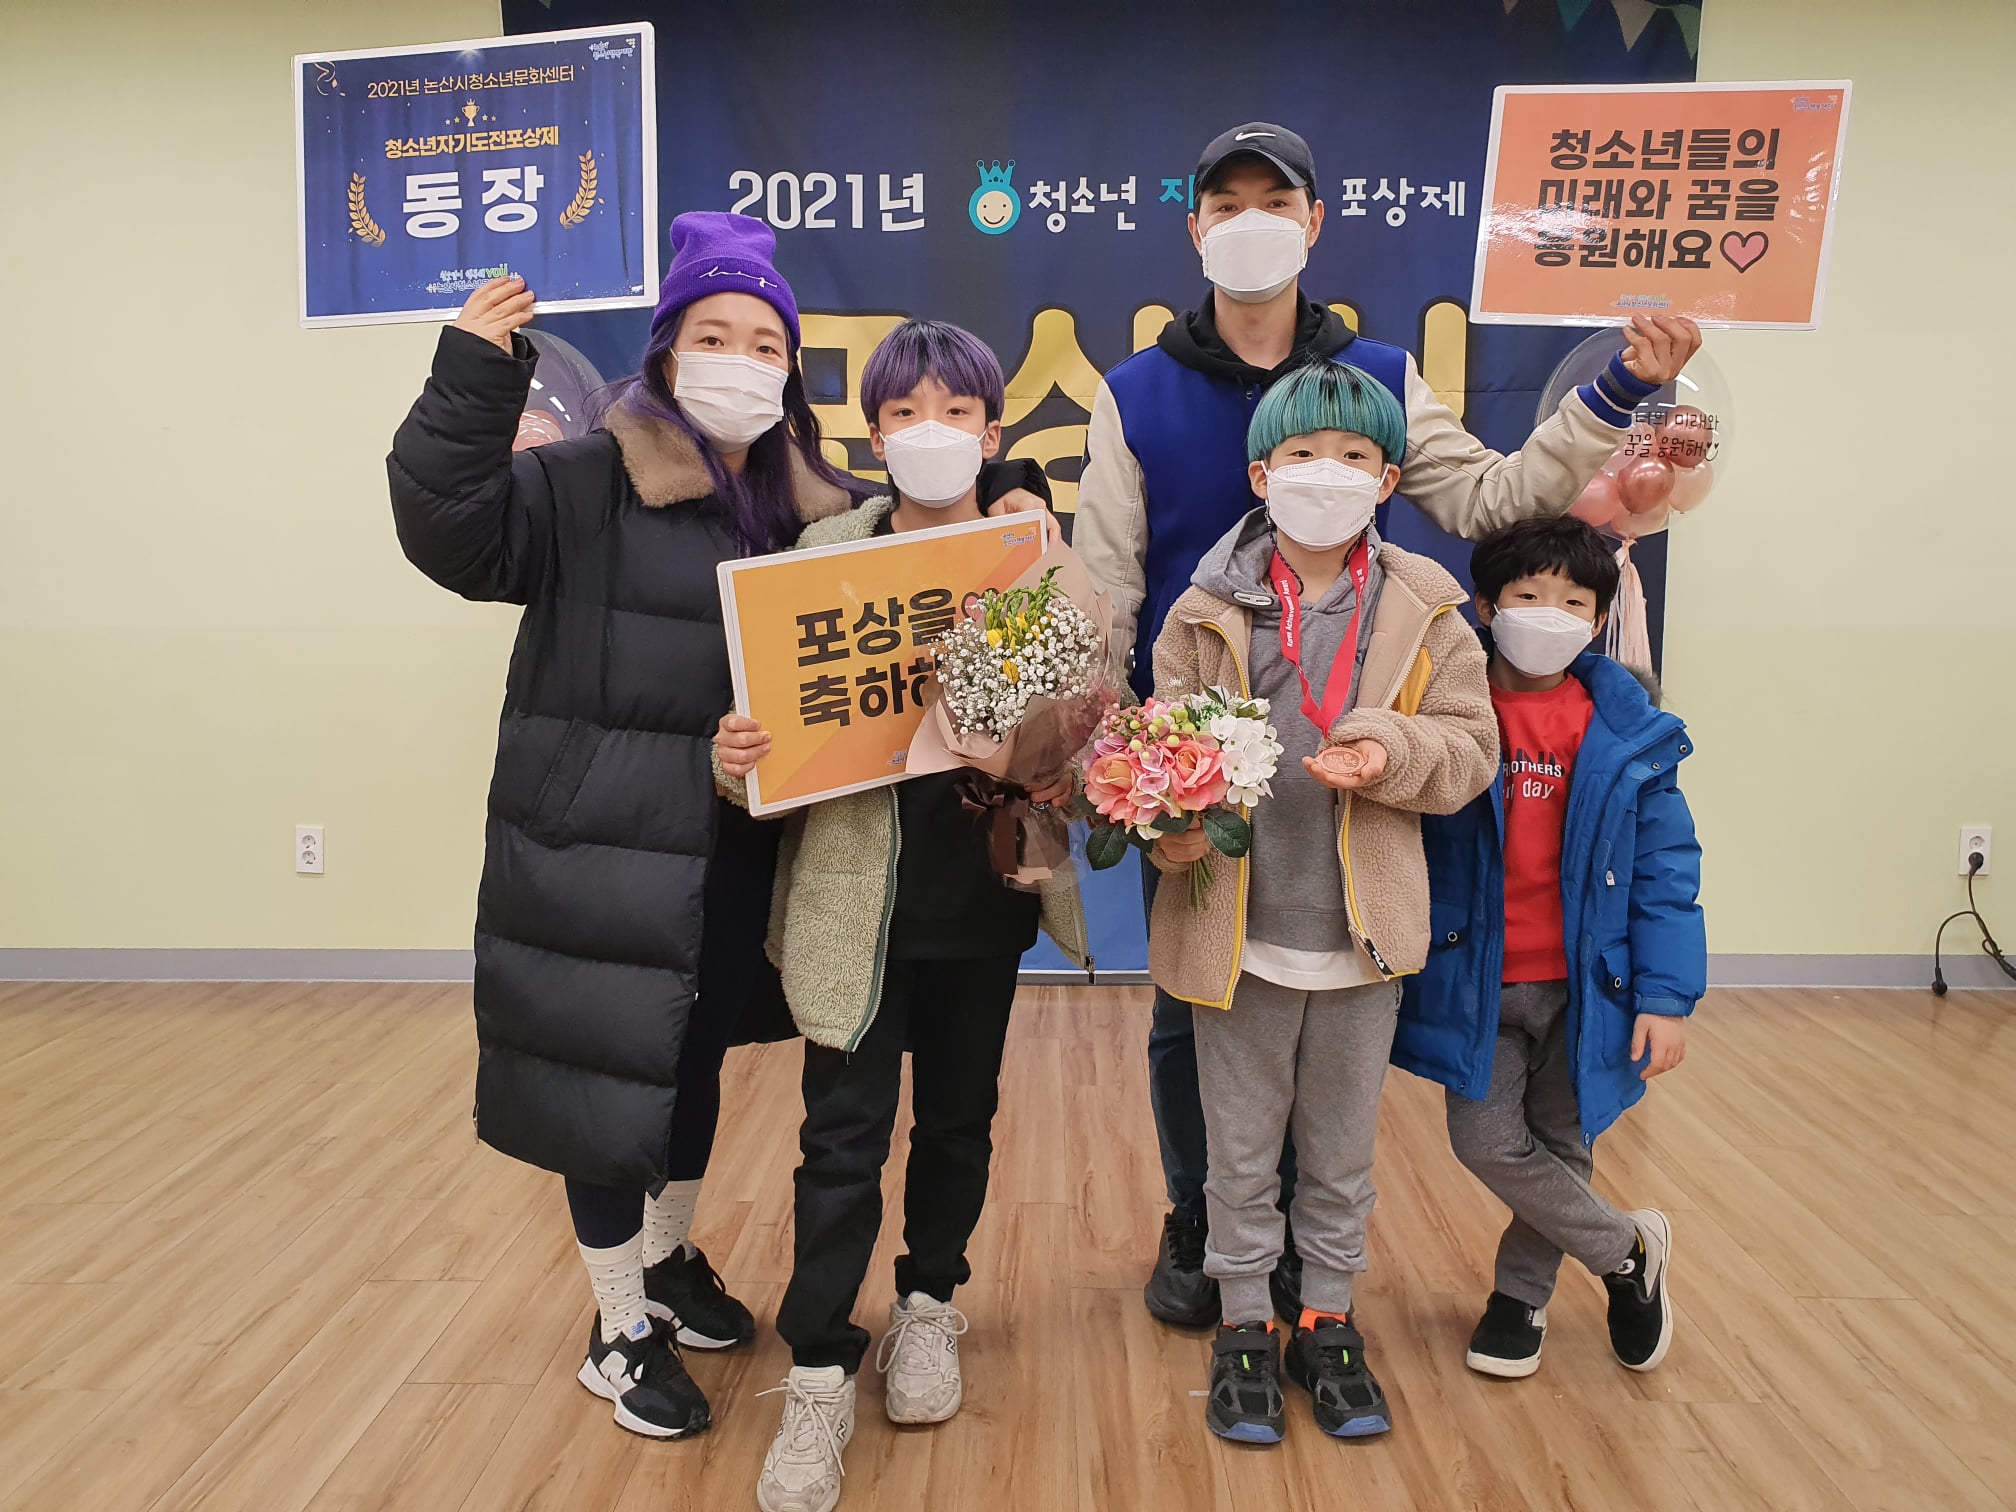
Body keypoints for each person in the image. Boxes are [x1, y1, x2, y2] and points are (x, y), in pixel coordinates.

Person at [387, 217, 1033, 1443]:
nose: (742, 361)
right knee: (609, 1072)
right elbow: (454, 535)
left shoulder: (809, 507)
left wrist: (1007, 505)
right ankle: (617, 1326)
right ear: (667, 351)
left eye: (765, 344)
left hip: (736, 838)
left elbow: (907, 571)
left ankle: (666, 1260)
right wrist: (471, 377)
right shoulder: (586, 479)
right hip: (602, 842)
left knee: (690, 1067)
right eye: (714, 336)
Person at [1072, 119, 1705, 1327]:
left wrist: (1618, 392)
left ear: (1314, 223)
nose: (1251, 222)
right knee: (1194, 1003)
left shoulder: (1383, 374)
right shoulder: (1133, 392)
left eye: (1277, 201)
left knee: (1331, 1011)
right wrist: (1123, 765)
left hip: (1357, 752)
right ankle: (1204, 1217)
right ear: (1194, 226)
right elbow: (1105, 590)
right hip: (1201, 761)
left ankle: (1306, 1257)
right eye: (1227, 202)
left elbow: (1493, 498)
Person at [712, 321, 1087, 1512]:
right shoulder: (822, 554)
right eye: (906, 413)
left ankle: (929, 1304)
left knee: (961, 1123)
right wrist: (736, 761)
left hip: (980, 891)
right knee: (840, 1140)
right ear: (872, 435)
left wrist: (1032, 747)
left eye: (957, 412)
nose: (933, 432)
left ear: (993, 429)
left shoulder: (1032, 555)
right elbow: (767, 739)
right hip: (852, 902)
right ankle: (820, 1367)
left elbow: (1079, 727)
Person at [1147, 361, 1497, 1444]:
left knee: (1341, 1158)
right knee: (1239, 1154)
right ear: (1262, 473)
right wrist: (1168, 822)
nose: (1326, 473)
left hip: (1362, 934)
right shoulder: (1204, 612)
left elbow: (1472, 749)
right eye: (1302, 454)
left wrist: (1389, 749)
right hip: (1237, 935)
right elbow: (1157, 758)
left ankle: (1328, 1321)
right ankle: (1245, 1325)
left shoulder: (1430, 609)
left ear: (1388, 479)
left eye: (1353, 456)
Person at [1395, 514, 1704, 1380]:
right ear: (1487, 608)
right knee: (1487, 1141)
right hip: (1479, 979)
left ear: (1599, 618)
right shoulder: (1448, 708)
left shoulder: (1628, 729)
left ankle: (1519, 1298)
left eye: (1573, 602)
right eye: (1528, 596)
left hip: (1589, 987)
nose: (1550, 615)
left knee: (1563, 1142)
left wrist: (1665, 997)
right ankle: (1627, 1253)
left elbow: (1666, 870)